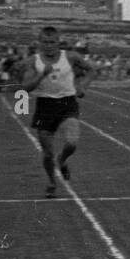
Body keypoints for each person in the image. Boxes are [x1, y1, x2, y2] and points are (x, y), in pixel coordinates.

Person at [19, 26, 90, 198]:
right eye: (45, 42)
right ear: (39, 43)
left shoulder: (71, 57)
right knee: (48, 153)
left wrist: (82, 85)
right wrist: (42, 74)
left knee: (72, 143)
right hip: (45, 106)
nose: (49, 45)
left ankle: (63, 160)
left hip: (68, 104)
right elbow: (25, 87)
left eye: (52, 42)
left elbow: (91, 70)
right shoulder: (32, 61)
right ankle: (51, 181)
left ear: (59, 42)